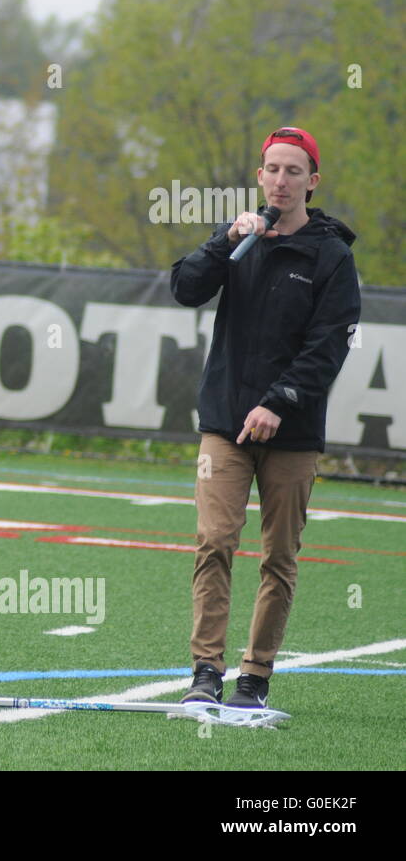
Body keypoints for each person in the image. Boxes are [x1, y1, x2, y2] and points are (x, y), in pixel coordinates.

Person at [170, 126, 360, 708]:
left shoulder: (332, 255)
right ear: (260, 176)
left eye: (293, 171)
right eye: (272, 169)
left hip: (292, 433)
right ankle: (206, 671)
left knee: (279, 556)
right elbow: (184, 288)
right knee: (214, 541)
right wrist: (223, 239)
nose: (281, 180)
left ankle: (254, 677)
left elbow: (329, 346)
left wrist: (278, 402)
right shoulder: (239, 239)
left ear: (312, 181)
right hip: (224, 424)